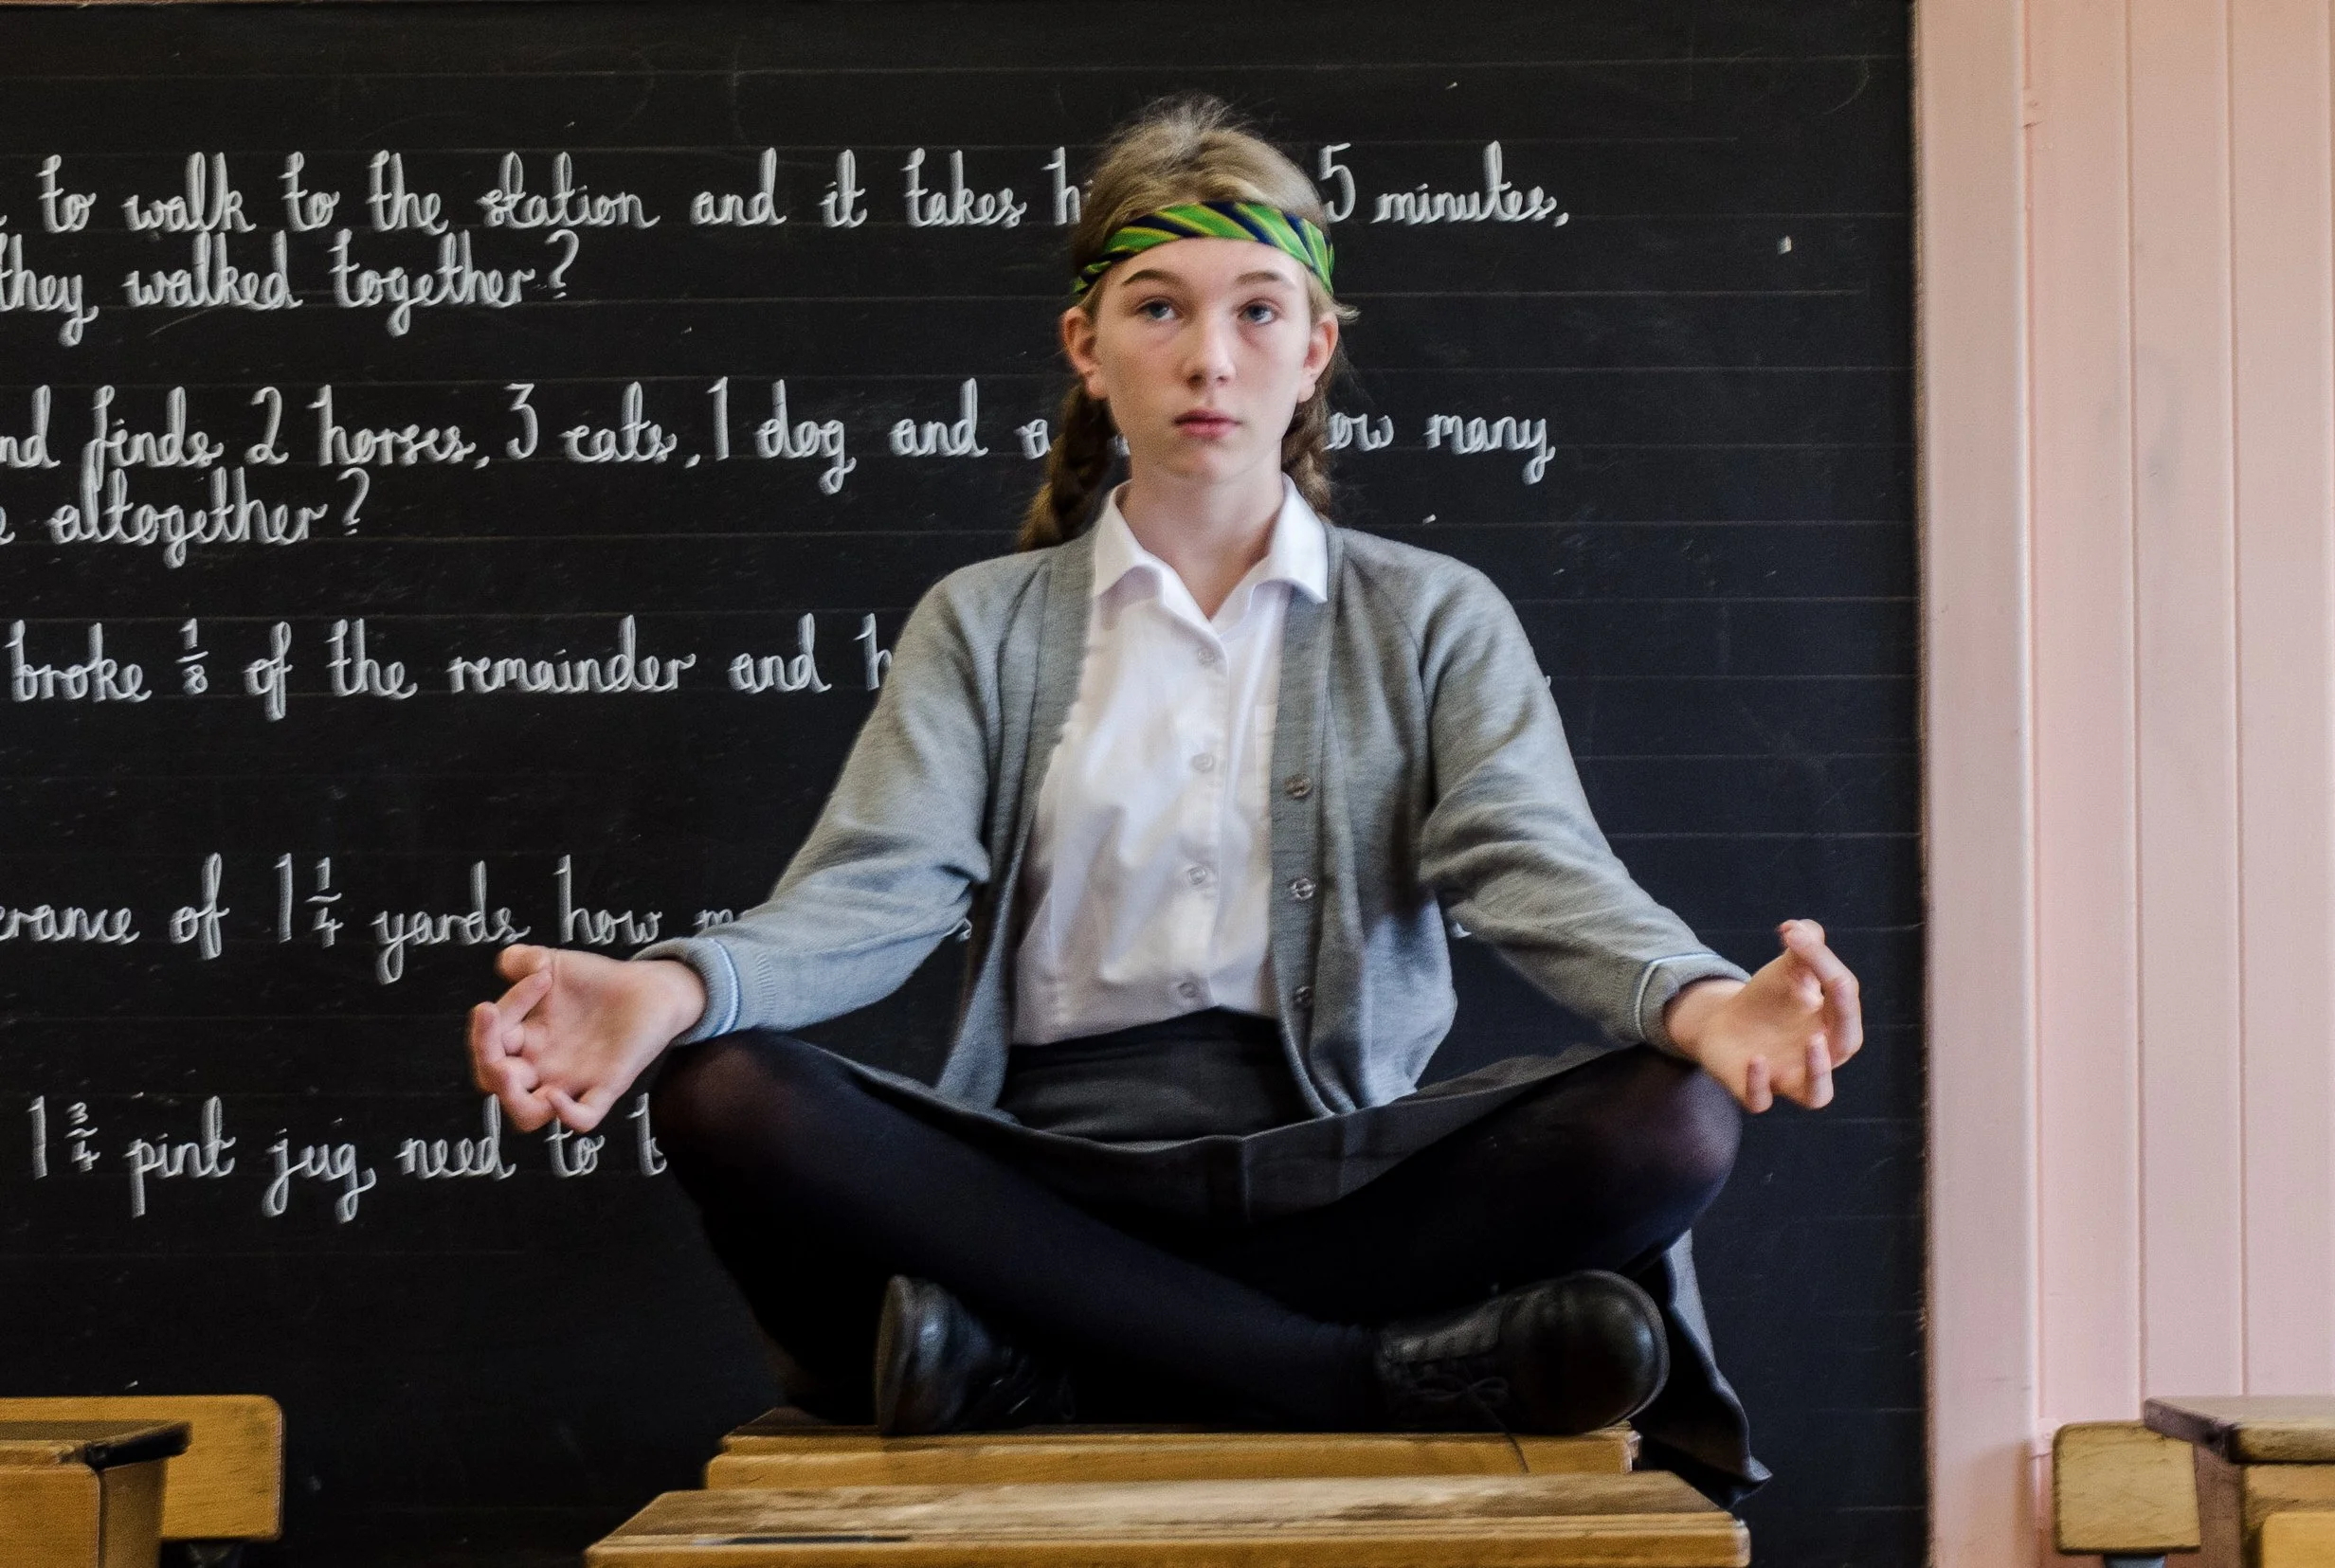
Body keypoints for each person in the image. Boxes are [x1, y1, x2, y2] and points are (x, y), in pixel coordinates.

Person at [465, 95, 1861, 1506]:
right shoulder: (984, 624)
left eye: (1260, 312)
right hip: (1031, 1186)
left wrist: (1699, 1002)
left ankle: (1042, 1363)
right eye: (1157, 308)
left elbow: (1531, 863)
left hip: (1339, 1176)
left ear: (1316, 349)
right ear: (1087, 347)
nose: (1210, 358)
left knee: (1669, 1121)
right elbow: (874, 888)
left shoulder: (1433, 616)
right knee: (726, 1091)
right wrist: (677, 987)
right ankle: (1359, 1377)